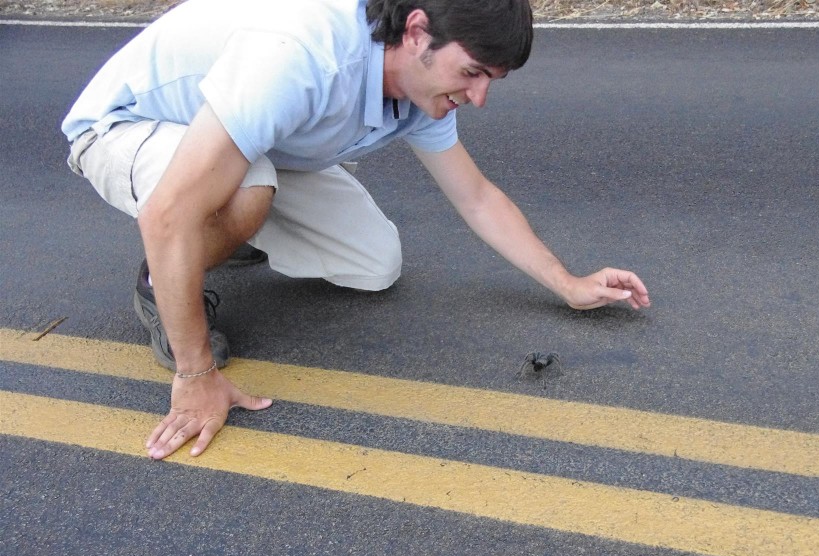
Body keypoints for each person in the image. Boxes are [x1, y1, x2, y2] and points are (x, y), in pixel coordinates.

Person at [62, 0, 651, 461]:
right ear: (417, 31)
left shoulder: (420, 92)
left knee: (373, 264)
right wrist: (196, 379)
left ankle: (225, 229)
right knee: (237, 199)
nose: (479, 97)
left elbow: (476, 197)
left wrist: (568, 283)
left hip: (251, 141)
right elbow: (167, 212)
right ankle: (161, 276)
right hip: (128, 126)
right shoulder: (304, 56)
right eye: (472, 73)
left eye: (491, 79)